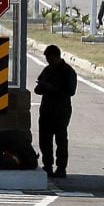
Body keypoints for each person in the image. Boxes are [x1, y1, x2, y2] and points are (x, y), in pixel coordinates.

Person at [33, 45, 77, 178]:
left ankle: (61, 168)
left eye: (51, 59)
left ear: (57, 57)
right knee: (44, 140)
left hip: (61, 110)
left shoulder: (67, 71)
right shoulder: (47, 70)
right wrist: (42, 86)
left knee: (61, 140)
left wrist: (52, 88)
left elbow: (71, 91)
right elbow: (38, 88)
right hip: (46, 109)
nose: (49, 61)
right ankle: (47, 165)